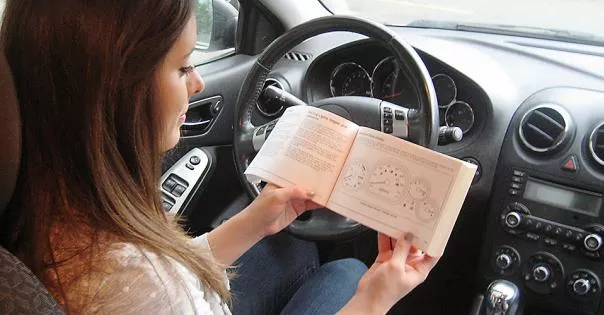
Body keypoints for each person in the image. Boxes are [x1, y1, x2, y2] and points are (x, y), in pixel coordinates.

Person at [0, 0, 440, 314]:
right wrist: (373, 300)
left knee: (291, 248)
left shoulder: (46, 213)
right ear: (117, 96)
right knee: (345, 273)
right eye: (182, 66)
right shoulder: (143, 285)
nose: (198, 84)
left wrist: (255, 221)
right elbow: (155, 283)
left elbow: (160, 271)